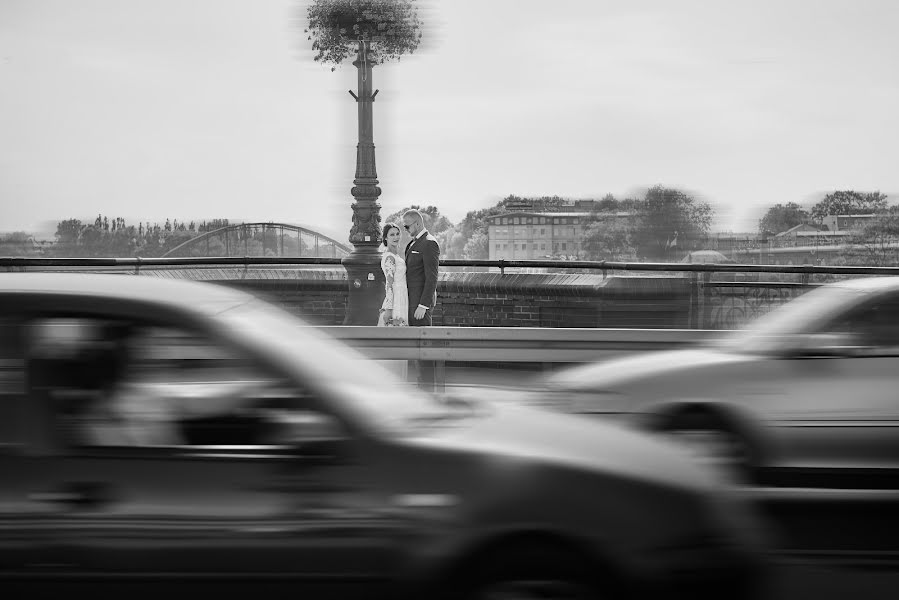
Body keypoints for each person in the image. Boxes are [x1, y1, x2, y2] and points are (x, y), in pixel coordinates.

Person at [402, 209, 440, 391]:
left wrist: (423, 305)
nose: (406, 229)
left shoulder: (430, 244)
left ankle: (428, 387)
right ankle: (421, 385)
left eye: (407, 226)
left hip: (420, 306)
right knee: (417, 346)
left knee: (424, 346)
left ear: (417, 223)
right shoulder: (413, 243)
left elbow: (432, 277)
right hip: (412, 303)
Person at [378, 223, 409, 327]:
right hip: (396, 299)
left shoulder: (396, 256)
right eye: (392, 235)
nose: (396, 237)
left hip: (402, 295)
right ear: (385, 238)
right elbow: (389, 284)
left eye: (397, 234)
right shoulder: (389, 258)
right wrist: (389, 309)